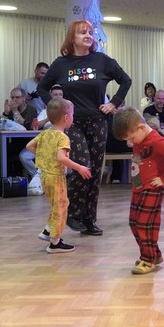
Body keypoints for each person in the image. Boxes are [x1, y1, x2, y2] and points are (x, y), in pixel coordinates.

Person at [37, 19, 132, 236]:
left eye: (90, 32)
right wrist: (57, 108)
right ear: (72, 37)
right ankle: (70, 212)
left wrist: (113, 103)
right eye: (82, 32)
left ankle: (89, 220)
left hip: (98, 121)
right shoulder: (61, 64)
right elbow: (42, 88)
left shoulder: (102, 60)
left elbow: (125, 81)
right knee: (83, 165)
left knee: (95, 172)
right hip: (73, 123)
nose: (88, 35)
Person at [112, 106, 164, 274]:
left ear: (142, 127)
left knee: (144, 223)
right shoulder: (140, 137)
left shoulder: (156, 141)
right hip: (138, 186)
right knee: (134, 222)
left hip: (152, 188)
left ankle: (148, 259)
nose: (131, 142)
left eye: (132, 138)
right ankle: (154, 254)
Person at [26, 98, 92, 253]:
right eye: (73, 115)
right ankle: (55, 242)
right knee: (61, 207)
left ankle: (48, 230)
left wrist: (44, 157)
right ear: (66, 117)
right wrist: (79, 167)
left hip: (44, 176)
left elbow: (29, 146)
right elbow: (61, 158)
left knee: (60, 204)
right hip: (56, 177)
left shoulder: (45, 133)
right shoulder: (63, 137)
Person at [19, 84, 64, 181]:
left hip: (61, 144)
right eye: (55, 95)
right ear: (50, 97)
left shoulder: (68, 110)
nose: (58, 97)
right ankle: (39, 178)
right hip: (44, 143)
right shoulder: (45, 112)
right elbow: (35, 126)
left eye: (60, 94)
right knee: (24, 156)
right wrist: (48, 119)